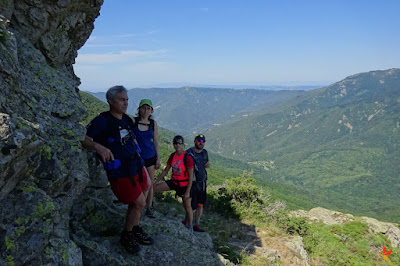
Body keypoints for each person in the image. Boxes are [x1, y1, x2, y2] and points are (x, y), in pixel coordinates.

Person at [81, 85, 154, 254]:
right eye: (122, 100)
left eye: (127, 100)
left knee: (140, 198)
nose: (125, 103)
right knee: (139, 202)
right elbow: (83, 139)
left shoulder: (127, 120)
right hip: (120, 171)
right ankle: (127, 235)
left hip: (135, 165)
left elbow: (133, 141)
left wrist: (143, 165)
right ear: (110, 101)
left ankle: (134, 228)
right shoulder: (103, 120)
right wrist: (98, 146)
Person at [153, 135, 194, 232]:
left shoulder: (187, 157)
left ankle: (190, 226)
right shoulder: (173, 156)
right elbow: (166, 170)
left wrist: (187, 192)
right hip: (174, 182)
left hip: (184, 185)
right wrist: (155, 182)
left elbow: (191, 177)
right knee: (154, 188)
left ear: (183, 145)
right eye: (175, 143)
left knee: (187, 206)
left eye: (179, 143)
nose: (177, 145)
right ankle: (148, 207)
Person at [134, 99, 161, 218]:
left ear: (151, 110)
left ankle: (148, 207)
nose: (146, 111)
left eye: (148, 109)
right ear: (139, 109)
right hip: (137, 157)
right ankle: (138, 204)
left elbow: (155, 141)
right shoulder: (133, 122)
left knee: (149, 184)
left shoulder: (152, 123)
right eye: (144, 108)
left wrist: (158, 158)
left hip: (150, 157)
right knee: (138, 181)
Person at [185, 134, 210, 232]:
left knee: (200, 204)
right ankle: (188, 222)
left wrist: (207, 165)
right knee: (191, 205)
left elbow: (206, 163)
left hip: (202, 182)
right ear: (195, 141)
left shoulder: (205, 153)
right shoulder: (189, 152)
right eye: (199, 141)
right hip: (192, 183)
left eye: (203, 141)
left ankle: (197, 224)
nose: (201, 143)